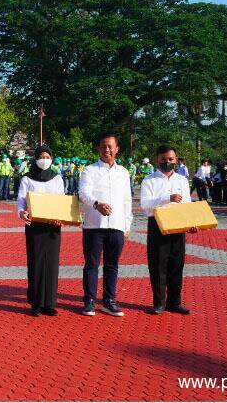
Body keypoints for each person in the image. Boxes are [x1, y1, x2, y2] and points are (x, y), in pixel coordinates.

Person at [78, 132, 132, 317]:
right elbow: (83, 193)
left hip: (116, 225)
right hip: (94, 225)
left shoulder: (124, 172)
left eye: (110, 146)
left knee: (112, 265)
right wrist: (96, 204)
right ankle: (89, 301)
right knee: (91, 264)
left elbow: (127, 200)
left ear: (117, 149)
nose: (107, 149)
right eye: (103, 146)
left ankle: (109, 301)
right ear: (98, 148)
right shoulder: (89, 170)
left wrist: (127, 224)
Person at [140, 145, 197, 315]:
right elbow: (145, 206)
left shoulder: (181, 180)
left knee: (176, 265)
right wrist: (167, 198)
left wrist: (192, 223)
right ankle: (159, 303)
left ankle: (175, 302)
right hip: (157, 225)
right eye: (163, 159)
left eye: (171, 159)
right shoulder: (149, 180)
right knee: (158, 266)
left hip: (178, 226)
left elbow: (187, 204)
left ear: (176, 159)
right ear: (157, 159)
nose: (167, 162)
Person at [17, 146, 65, 317]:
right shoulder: (27, 178)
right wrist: (22, 212)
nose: (44, 160)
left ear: (52, 158)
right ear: (35, 158)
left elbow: (61, 200)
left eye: (47, 156)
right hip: (34, 226)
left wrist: (61, 216)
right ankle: (36, 303)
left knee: (51, 263)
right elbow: (21, 201)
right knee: (36, 262)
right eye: (41, 156)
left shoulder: (57, 178)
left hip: (53, 225)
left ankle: (49, 303)